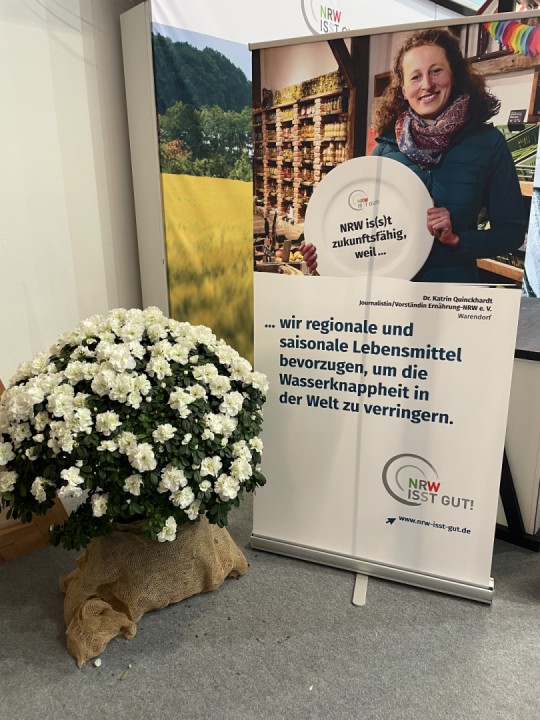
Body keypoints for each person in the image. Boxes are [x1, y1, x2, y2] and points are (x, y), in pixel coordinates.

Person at [302, 27, 527, 282]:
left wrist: (459, 239)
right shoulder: (385, 149)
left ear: (454, 75)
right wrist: (327, 250)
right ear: (403, 88)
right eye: (415, 77)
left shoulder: (487, 143)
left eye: (436, 71)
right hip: (394, 293)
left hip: (452, 294)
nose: (427, 85)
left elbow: (512, 233)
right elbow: (360, 226)